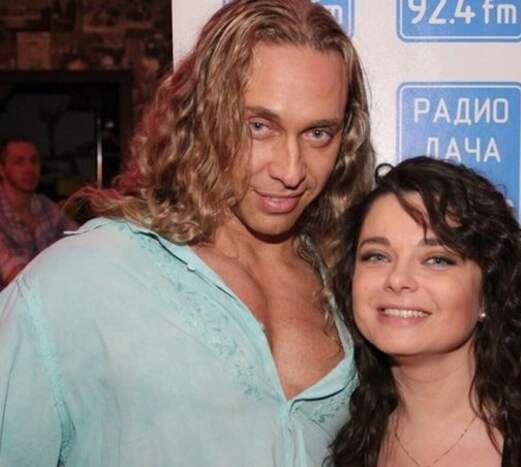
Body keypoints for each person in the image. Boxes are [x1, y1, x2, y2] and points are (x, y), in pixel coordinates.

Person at [0, 1, 374, 466]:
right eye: (259, 126)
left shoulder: (351, 283)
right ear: (202, 115)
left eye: (318, 133)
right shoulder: (81, 279)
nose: (291, 169)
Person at [329, 157, 521, 467]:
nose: (397, 279)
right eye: (376, 256)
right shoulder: (350, 450)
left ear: (488, 294)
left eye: (437, 260)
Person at [0, 137, 77, 289]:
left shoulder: (45, 206)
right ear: (1, 169)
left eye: (34, 161)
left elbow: (78, 238)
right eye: (19, 161)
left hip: (46, 293)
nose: (29, 168)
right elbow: (10, 269)